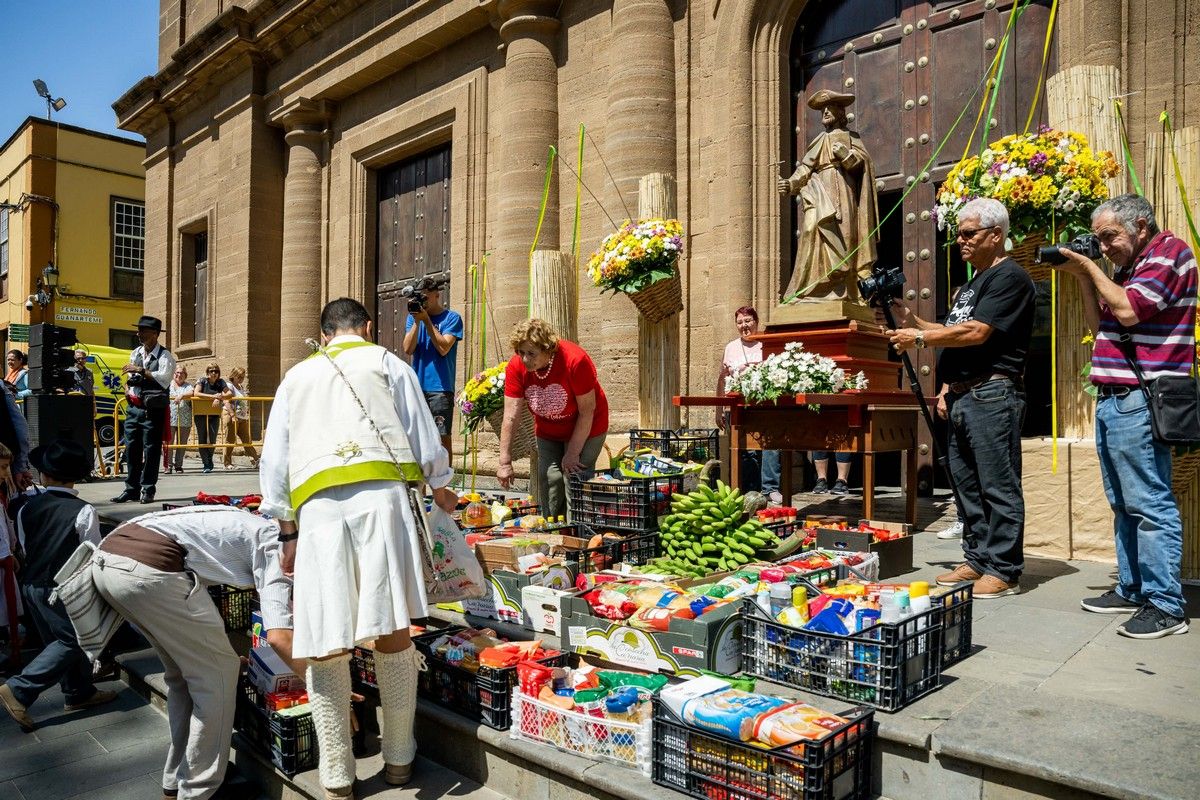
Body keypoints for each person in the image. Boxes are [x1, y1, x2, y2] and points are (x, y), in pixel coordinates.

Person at [260, 297, 456, 800]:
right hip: (384, 501)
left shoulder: (296, 378)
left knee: (325, 637)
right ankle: (398, 759)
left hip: (318, 512)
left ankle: (336, 775)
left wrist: (287, 530)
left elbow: (275, 459)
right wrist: (440, 484)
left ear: (323, 334)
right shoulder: (386, 361)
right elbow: (421, 431)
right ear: (366, 327)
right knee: (391, 626)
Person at [1053, 194, 1195, 639]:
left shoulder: (1170, 253)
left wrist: (1090, 266)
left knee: (1149, 503)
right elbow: (1104, 327)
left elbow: (1131, 310)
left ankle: (1166, 605)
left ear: (1141, 225)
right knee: (1122, 502)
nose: (1104, 246)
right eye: (1098, 239)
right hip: (1114, 397)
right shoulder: (1129, 266)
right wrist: (1082, 275)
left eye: (1109, 236)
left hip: (1140, 396)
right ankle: (1133, 588)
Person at [88, 506, 294, 799]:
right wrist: (323, 683)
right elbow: (279, 637)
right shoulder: (278, 546)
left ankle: (175, 783)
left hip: (109, 560)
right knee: (218, 676)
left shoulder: (252, 523)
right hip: (150, 571)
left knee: (183, 675)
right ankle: (199, 791)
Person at [888, 198, 1035, 599]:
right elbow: (951, 329)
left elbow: (977, 333)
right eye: (958, 233)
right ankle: (977, 558)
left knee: (997, 484)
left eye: (968, 233)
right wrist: (913, 321)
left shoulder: (1010, 278)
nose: (959, 241)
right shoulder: (973, 284)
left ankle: (1004, 569)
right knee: (966, 484)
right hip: (963, 396)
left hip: (992, 393)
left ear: (996, 235)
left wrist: (918, 337)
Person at [0, 440, 117, 732]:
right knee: (73, 640)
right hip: (62, 589)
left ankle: (79, 692)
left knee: (57, 638)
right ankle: (19, 689)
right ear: (75, 477)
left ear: (44, 475)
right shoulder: (84, 510)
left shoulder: (27, 508)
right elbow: (92, 552)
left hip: (30, 585)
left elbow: (25, 546)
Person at [498, 319, 610, 520]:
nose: (524, 359)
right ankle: (554, 531)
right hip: (548, 429)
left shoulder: (575, 360)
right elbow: (511, 415)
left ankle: (578, 532)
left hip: (587, 426)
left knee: (574, 479)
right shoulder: (516, 367)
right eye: (521, 352)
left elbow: (587, 411)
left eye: (531, 353)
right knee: (550, 478)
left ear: (548, 349)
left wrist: (573, 453)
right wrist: (504, 461)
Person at [777, 89, 879, 301]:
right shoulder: (819, 140)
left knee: (848, 236)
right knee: (813, 230)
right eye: (822, 109)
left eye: (829, 108)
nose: (824, 112)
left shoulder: (851, 138)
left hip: (845, 192)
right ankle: (816, 288)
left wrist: (846, 155)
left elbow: (862, 167)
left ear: (840, 112)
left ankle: (848, 290)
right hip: (821, 192)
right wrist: (790, 183)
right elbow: (805, 168)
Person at [716, 306, 782, 503]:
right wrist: (718, 409)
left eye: (747, 321)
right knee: (745, 450)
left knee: (770, 446)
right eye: (739, 322)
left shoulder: (767, 344)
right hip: (738, 408)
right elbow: (721, 379)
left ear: (756, 321)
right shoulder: (730, 347)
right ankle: (750, 491)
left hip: (764, 406)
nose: (744, 325)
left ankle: (770, 488)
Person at [112, 316, 176, 504]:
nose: (138, 334)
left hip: (152, 411)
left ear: (155, 334)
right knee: (131, 449)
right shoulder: (136, 352)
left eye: (143, 331)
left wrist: (140, 370)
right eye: (139, 330)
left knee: (151, 450)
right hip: (134, 408)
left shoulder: (165, 356)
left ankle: (148, 489)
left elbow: (164, 379)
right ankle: (131, 489)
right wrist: (127, 386)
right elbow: (131, 376)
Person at [402, 278, 463, 460]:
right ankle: (421, 487)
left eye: (426, 298)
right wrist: (416, 322)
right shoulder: (413, 318)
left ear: (437, 295)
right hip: (418, 387)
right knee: (417, 437)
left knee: (442, 438)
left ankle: (444, 486)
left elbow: (444, 348)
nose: (423, 303)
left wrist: (427, 321)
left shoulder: (452, 318)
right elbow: (407, 348)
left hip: (440, 388)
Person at [192, 363, 232, 474]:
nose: (213, 373)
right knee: (203, 438)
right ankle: (206, 464)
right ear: (207, 372)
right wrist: (214, 396)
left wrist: (220, 396)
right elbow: (196, 393)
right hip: (200, 414)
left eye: (216, 371)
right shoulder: (202, 380)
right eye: (211, 371)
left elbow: (229, 393)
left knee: (213, 439)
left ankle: (209, 458)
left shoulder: (221, 382)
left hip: (214, 414)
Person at [222, 367, 259, 470]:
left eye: (242, 377)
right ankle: (227, 463)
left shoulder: (240, 387)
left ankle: (256, 460)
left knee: (247, 440)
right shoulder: (229, 386)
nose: (241, 379)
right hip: (231, 415)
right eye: (239, 376)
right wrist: (232, 415)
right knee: (230, 440)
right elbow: (226, 401)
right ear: (233, 375)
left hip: (242, 417)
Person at [168, 366, 194, 474]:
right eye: (177, 372)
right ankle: (168, 465)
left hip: (184, 419)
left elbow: (192, 393)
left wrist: (181, 395)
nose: (179, 375)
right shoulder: (168, 385)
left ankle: (178, 465)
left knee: (182, 443)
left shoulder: (188, 386)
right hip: (169, 418)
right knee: (169, 443)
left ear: (185, 375)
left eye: (182, 373)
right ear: (174, 374)